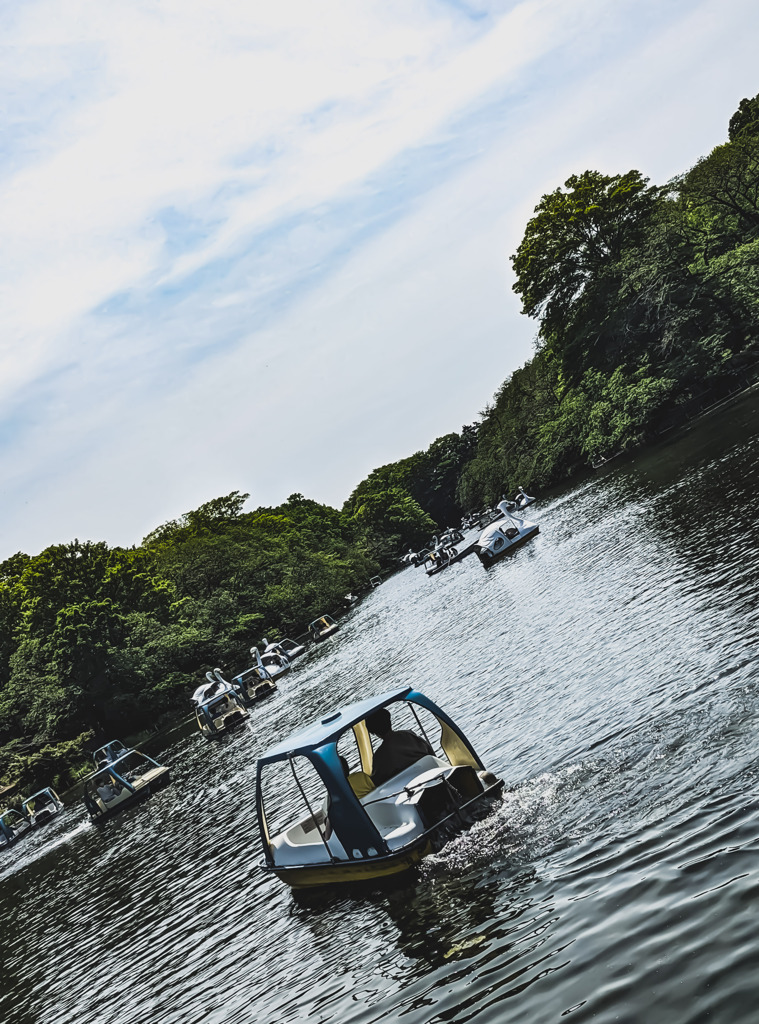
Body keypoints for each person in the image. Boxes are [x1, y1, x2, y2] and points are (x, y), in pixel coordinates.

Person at [364, 707, 434, 786]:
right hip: (430, 773)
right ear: (389, 722)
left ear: (374, 733)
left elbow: (378, 781)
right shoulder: (409, 734)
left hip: (408, 787)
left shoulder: (379, 755)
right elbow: (430, 751)